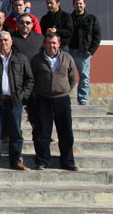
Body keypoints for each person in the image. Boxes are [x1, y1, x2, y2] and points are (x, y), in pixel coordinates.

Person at [0, 31, 34, 171]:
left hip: (14, 102)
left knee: (15, 132)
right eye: (0, 40)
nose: (3, 42)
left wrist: (22, 96)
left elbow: (29, 79)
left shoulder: (21, 59)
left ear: (11, 42)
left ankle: (15, 160)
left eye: (5, 40)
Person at [31, 33, 78, 171]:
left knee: (65, 132)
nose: (51, 45)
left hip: (62, 99)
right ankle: (42, 161)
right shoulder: (37, 60)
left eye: (54, 43)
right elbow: (32, 78)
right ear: (44, 44)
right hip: (43, 98)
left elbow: (73, 77)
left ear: (58, 44)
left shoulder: (67, 58)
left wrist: (65, 90)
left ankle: (68, 161)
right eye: (48, 42)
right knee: (42, 132)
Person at [69, 0, 101, 105]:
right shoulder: (69, 18)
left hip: (84, 53)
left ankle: (82, 98)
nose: (78, 6)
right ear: (73, 5)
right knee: (65, 75)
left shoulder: (91, 19)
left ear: (84, 4)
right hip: (69, 51)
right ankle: (65, 97)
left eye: (80, 3)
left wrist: (91, 50)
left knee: (84, 76)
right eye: (76, 4)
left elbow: (97, 36)